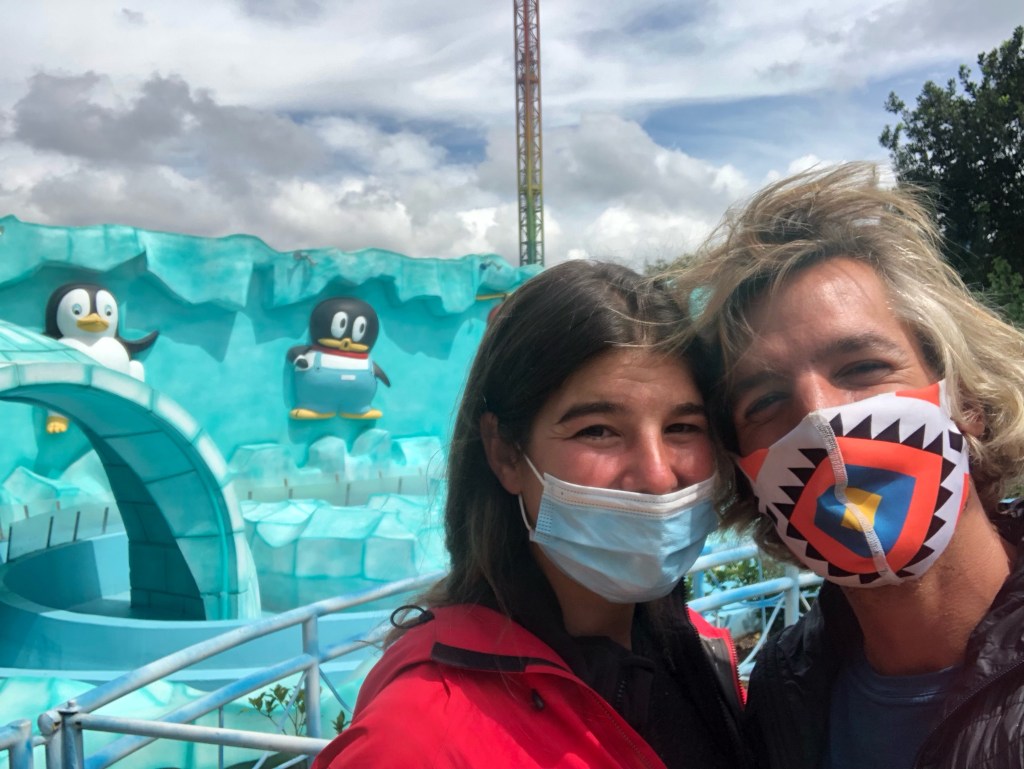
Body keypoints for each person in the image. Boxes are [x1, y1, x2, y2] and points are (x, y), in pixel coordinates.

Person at [312, 260, 751, 769]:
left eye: (682, 428)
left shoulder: (696, 649)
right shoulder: (415, 741)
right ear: (505, 454)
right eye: (597, 430)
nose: (657, 475)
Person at [671, 162, 1024, 769]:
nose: (818, 418)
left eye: (863, 368)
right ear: (749, 477)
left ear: (966, 399)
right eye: (766, 402)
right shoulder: (784, 693)